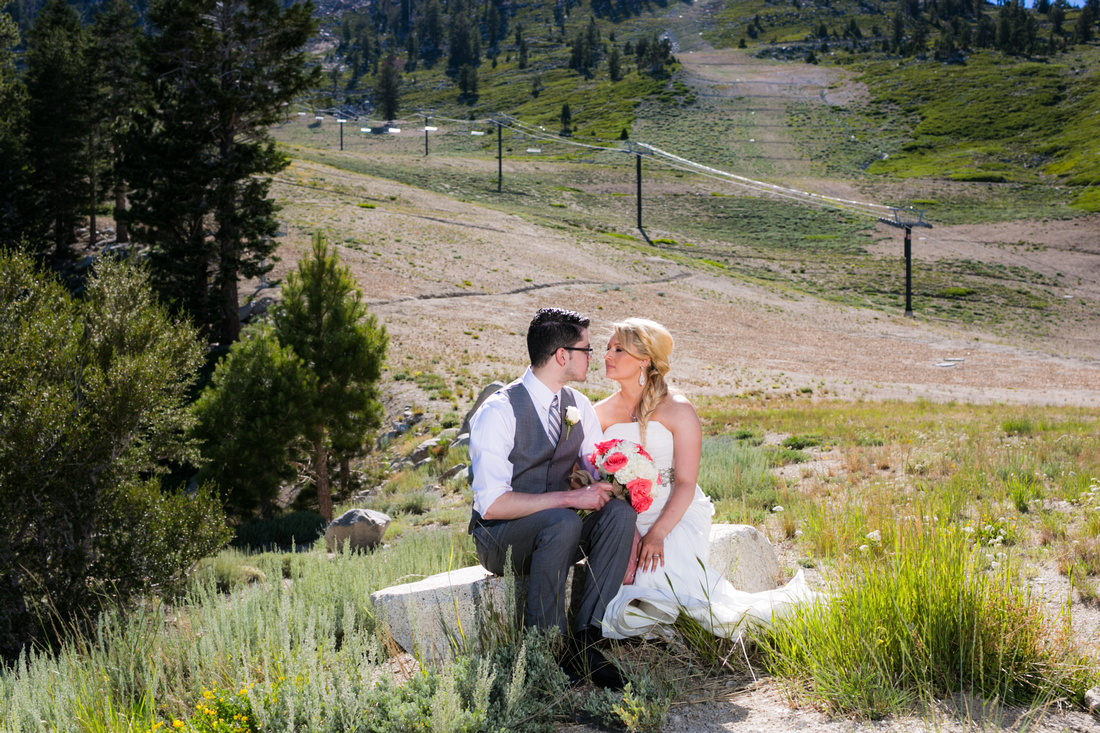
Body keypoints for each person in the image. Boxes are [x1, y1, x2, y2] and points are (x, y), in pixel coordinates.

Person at [595, 318, 813, 640]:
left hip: (674, 511)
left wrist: (656, 536)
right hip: (624, 516)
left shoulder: (678, 410)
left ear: (644, 361)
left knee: (654, 575)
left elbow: (684, 483)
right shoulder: (598, 412)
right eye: (607, 348)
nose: (607, 356)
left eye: (618, 349)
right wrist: (626, 532)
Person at [468, 307, 637, 688]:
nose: (594, 357)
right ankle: (546, 649)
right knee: (562, 519)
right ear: (563, 355)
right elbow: (492, 504)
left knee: (620, 516)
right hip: (500, 539)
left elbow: (598, 472)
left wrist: (607, 487)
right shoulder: (499, 411)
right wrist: (567, 499)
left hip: (557, 533)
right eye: (587, 350)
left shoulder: (577, 405)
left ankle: (586, 640)